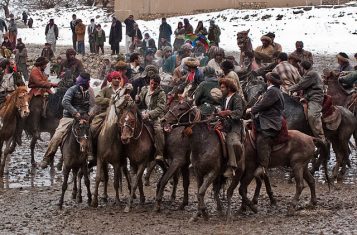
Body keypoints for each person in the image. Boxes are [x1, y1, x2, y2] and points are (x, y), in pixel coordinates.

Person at [40, 72, 93, 169]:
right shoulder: (72, 90)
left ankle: (91, 154)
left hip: (82, 118)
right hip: (69, 117)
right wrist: (74, 112)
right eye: (88, 81)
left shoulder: (87, 92)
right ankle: (47, 158)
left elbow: (87, 106)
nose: (88, 83)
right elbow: (65, 102)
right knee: (57, 136)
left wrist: (87, 115)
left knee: (92, 132)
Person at [247, 72, 284, 178]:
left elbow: (263, 104)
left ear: (269, 81)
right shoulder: (273, 90)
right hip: (265, 118)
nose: (265, 82)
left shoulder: (273, 91)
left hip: (270, 121)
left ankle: (263, 166)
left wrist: (251, 109)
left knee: (262, 139)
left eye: (266, 80)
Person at [288, 61, 325, 142]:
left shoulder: (311, 74)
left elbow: (300, 85)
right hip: (307, 97)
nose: (299, 69)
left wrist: (288, 89)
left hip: (315, 98)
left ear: (303, 67)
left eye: (300, 67)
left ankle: (321, 138)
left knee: (312, 115)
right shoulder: (307, 75)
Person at [218, 77, 245, 178]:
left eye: (223, 87)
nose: (221, 89)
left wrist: (227, 113)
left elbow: (239, 113)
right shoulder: (224, 98)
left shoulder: (237, 97)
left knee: (230, 140)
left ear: (229, 88)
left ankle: (232, 166)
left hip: (234, 126)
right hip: (223, 124)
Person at [135, 74, 166, 161]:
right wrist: (137, 100)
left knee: (158, 130)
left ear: (158, 84)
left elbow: (160, 108)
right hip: (144, 112)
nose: (152, 86)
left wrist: (149, 114)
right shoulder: (144, 89)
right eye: (151, 83)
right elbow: (140, 101)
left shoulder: (161, 93)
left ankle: (160, 153)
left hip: (156, 116)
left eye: (155, 84)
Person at [28, 57, 58, 138]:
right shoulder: (34, 70)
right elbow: (39, 82)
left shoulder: (42, 72)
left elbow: (45, 83)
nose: (45, 66)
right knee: (37, 109)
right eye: (45, 64)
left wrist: (52, 94)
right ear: (41, 64)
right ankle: (35, 129)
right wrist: (51, 84)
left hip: (44, 91)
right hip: (36, 92)